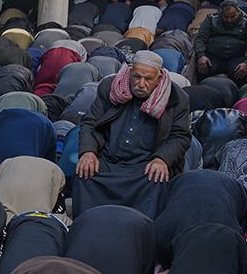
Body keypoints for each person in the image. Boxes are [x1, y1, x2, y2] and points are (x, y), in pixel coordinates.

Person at [74, 51, 191, 216]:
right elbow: (90, 123)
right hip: (108, 160)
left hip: (145, 165)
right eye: (137, 77)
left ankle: (141, 229)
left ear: (158, 79)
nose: (141, 84)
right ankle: (88, 224)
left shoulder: (177, 97)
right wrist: (88, 152)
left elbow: (180, 136)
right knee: (84, 173)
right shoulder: (110, 86)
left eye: (148, 79)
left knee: (157, 179)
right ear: (130, 73)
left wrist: (162, 159)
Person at [191, 0, 247, 82]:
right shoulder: (211, 18)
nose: (229, 20)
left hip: (238, 57)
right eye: (226, 17)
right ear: (221, 13)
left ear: (238, 11)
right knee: (202, 67)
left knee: (241, 73)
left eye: (233, 16)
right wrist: (201, 55)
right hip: (213, 56)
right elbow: (200, 38)